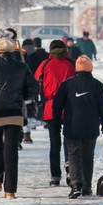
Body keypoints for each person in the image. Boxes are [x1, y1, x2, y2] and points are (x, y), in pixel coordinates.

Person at [0, 37, 38, 199]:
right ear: (12, 50)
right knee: (11, 152)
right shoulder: (21, 66)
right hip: (14, 114)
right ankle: (10, 190)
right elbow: (33, 88)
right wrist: (21, 96)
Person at [52, 55, 103, 199]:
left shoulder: (67, 85)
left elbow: (57, 105)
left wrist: (56, 121)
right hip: (91, 127)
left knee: (73, 154)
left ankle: (76, 184)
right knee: (87, 156)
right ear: (90, 69)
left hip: (72, 126)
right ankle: (87, 186)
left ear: (76, 69)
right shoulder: (98, 85)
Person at [34, 39, 75, 186]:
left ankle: (55, 176)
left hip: (51, 108)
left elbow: (35, 81)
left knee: (54, 144)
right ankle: (70, 168)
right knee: (69, 142)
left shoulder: (45, 64)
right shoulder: (71, 63)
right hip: (70, 107)